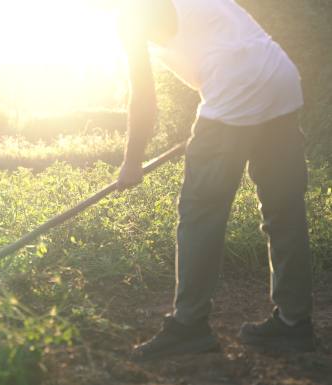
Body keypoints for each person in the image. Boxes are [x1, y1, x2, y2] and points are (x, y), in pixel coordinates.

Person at [114, 0, 315, 361]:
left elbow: (143, 96)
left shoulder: (131, 12)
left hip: (235, 90)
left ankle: (189, 325)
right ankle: (294, 322)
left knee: (201, 211)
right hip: (280, 79)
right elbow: (219, 47)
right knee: (284, 210)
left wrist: (132, 161)